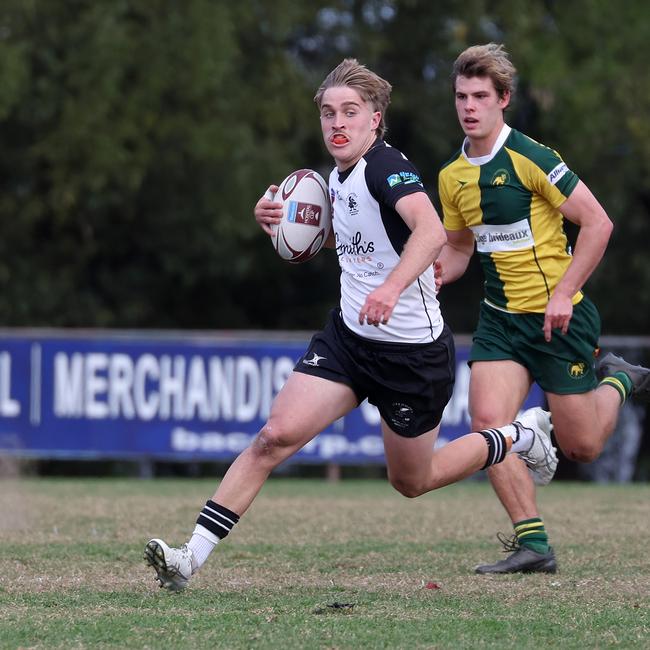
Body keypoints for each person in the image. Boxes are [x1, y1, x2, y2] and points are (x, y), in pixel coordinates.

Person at [144, 58, 558, 592]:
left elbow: (430, 231)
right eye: (328, 112)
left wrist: (391, 288)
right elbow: (356, 238)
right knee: (273, 437)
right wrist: (279, 220)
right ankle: (187, 560)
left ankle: (518, 435)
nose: (337, 122)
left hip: (412, 355)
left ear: (375, 119)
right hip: (349, 341)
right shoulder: (336, 177)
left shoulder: (387, 168)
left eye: (350, 112)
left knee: (413, 481)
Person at [436, 43, 650, 574]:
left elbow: (598, 224)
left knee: (583, 448)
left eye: (480, 96)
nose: (469, 106)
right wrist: (433, 272)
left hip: (560, 319)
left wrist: (561, 293)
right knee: (488, 426)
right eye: (461, 96)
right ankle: (533, 545)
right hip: (499, 322)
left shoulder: (534, 158)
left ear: (503, 99)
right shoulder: (451, 177)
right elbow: (461, 247)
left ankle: (618, 379)